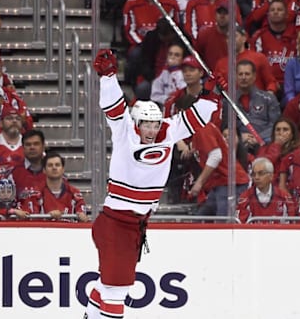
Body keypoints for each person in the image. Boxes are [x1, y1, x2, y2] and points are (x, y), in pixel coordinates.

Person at [84, 48, 219, 319]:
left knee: (107, 283)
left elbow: (196, 118)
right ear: (137, 123)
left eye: (154, 124)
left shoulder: (168, 131)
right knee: (116, 289)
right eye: (146, 124)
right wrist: (108, 76)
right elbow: (113, 108)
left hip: (135, 224)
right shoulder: (125, 133)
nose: (151, 130)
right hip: (115, 222)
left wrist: (211, 94)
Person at [27, 152, 89, 222]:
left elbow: (83, 216)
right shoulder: (35, 193)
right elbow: (31, 218)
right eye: (50, 165)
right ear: (44, 170)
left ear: (63, 169)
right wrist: (49, 216)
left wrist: (82, 216)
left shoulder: (75, 193)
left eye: (57, 165)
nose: (54, 168)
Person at [233, 59, 281, 145]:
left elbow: (275, 126)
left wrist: (258, 138)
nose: (243, 77)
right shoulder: (229, 101)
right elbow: (226, 128)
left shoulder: (268, 98)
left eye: (247, 74)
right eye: (240, 74)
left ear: (254, 76)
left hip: (265, 143)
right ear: (236, 77)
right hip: (238, 145)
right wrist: (240, 136)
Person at [236, 157, 295, 223]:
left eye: (261, 173)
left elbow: (291, 225)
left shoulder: (284, 197)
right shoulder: (245, 197)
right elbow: (241, 227)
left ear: (271, 176)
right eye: (254, 174)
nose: (256, 177)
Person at [10, 129, 47, 212]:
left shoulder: (53, 169)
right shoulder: (14, 173)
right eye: (28, 144)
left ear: (43, 146)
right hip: (22, 221)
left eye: (36, 144)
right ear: (22, 147)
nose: (32, 147)